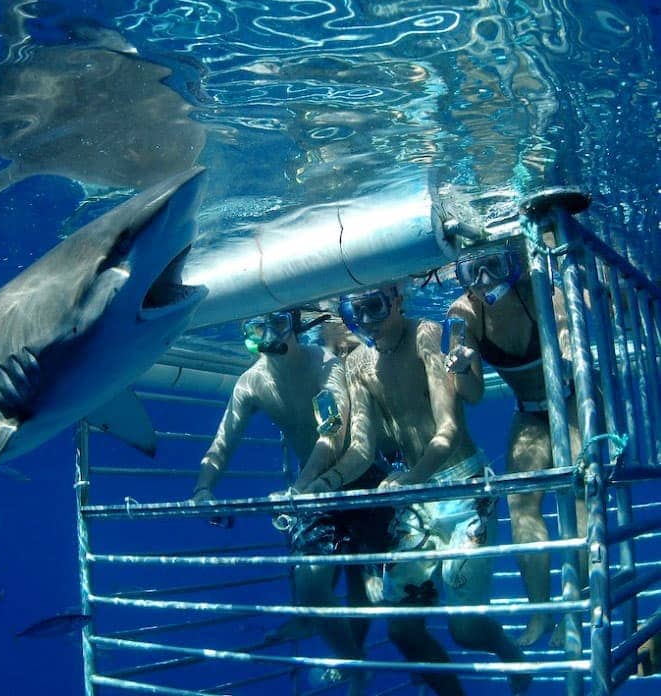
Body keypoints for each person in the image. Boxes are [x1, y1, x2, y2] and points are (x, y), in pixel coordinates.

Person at [322, 284, 529, 696]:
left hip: (464, 487)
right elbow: (361, 447)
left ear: (398, 298)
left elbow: (448, 429)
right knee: (401, 629)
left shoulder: (426, 334)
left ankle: (509, 652)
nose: (367, 322)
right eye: (354, 313)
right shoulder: (358, 363)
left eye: (375, 307)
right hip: (416, 499)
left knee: (466, 629)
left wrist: (410, 478)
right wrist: (320, 484)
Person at [191, 309, 388, 695]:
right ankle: (357, 667)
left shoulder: (324, 365)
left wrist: (299, 489)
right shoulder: (250, 383)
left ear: (295, 325)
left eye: (277, 323)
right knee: (313, 588)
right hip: (309, 490)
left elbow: (332, 431)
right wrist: (203, 488)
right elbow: (223, 440)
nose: (267, 335)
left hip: (356, 476)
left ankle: (353, 656)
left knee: (361, 586)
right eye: (255, 326)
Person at [444, 242, 586, 647]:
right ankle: (540, 615)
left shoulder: (540, 290)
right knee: (521, 506)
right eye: (473, 270)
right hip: (527, 411)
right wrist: (462, 366)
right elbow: (471, 394)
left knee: (577, 496)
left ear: (516, 264)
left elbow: (568, 347)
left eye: (494, 265)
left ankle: (575, 608)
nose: (484, 279)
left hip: (574, 401)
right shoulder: (463, 313)